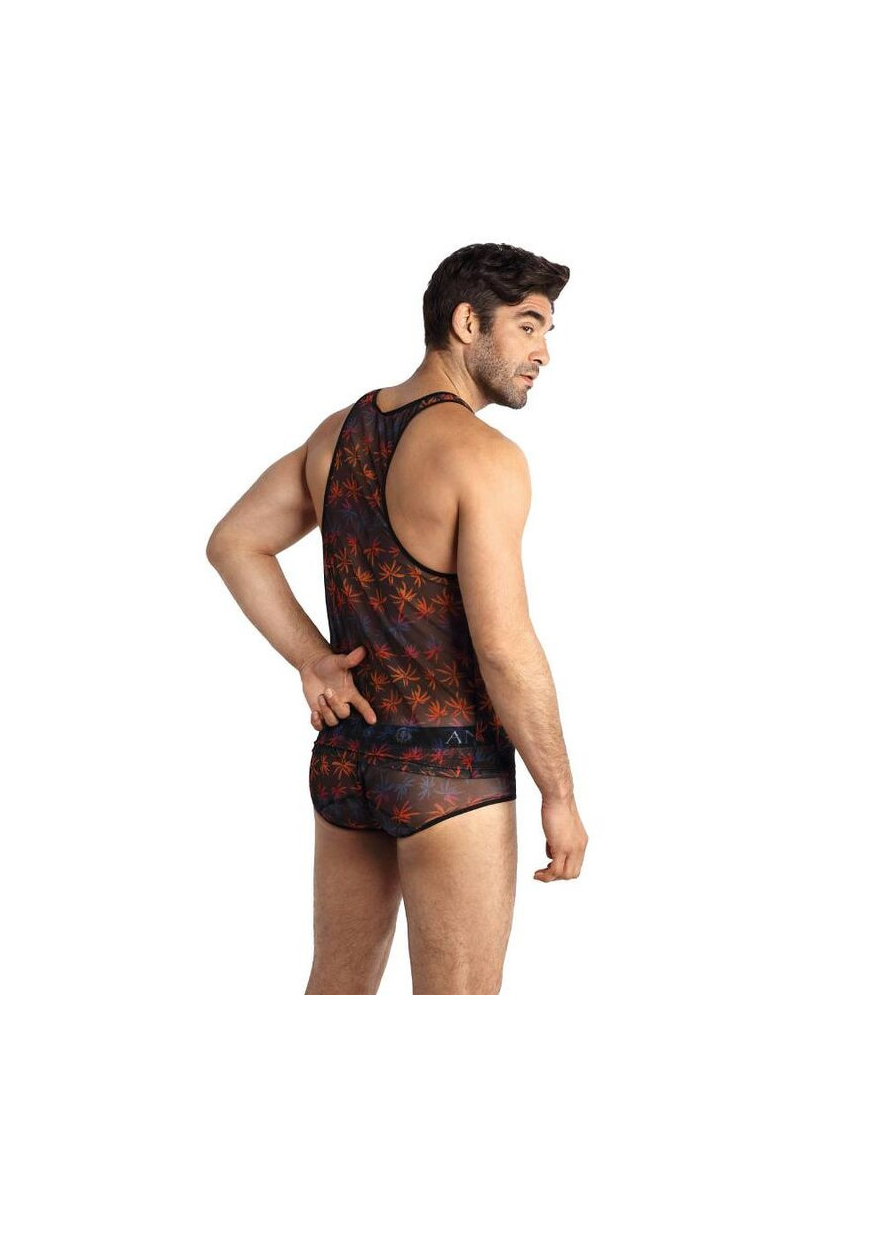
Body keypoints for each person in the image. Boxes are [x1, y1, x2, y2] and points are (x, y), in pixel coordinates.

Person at [206, 241, 588, 994]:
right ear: (467, 324)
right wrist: (560, 794)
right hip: (450, 773)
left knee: (337, 989)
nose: (543, 352)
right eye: (528, 326)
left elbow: (236, 542)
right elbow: (504, 647)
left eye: (547, 331)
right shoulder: (482, 456)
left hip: (347, 762)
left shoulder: (337, 434)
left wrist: (313, 659)